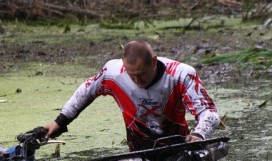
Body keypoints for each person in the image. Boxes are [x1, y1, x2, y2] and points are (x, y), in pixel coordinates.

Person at [44, 40, 220, 151]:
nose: (136, 80)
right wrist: (60, 122)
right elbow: (85, 91)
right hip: (138, 149)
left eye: (141, 74)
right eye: (131, 75)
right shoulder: (112, 72)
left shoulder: (181, 74)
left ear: (153, 62)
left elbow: (210, 113)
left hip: (179, 144)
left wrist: (198, 135)